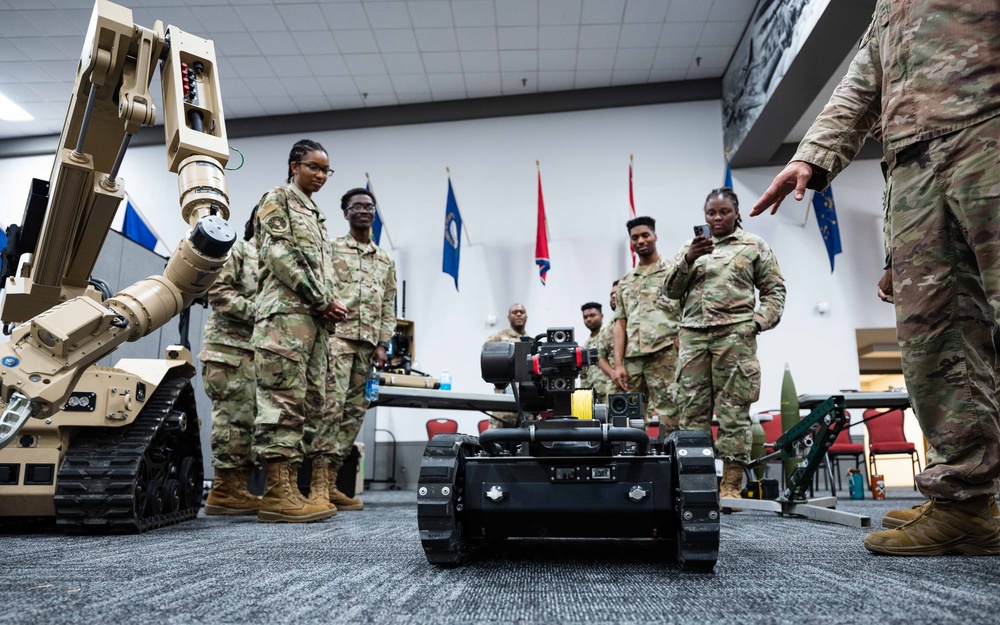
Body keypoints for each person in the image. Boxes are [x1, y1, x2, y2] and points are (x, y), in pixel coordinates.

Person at [751, 0, 1000, 556]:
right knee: (936, 342)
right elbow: (863, 79)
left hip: (988, 130)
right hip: (910, 165)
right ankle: (966, 503)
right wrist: (813, 156)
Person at [664, 188, 785, 505]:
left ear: (736, 213)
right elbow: (670, 290)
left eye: (723, 212)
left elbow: (775, 290)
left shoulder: (754, 246)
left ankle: (731, 485)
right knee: (692, 412)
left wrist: (757, 323)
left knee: (733, 413)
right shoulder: (689, 248)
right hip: (693, 337)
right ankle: (697, 481)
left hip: (735, 336)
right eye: (711, 213)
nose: (717, 218)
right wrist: (689, 258)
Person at [251, 138, 344, 523]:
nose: (320, 175)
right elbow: (279, 254)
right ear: (294, 165)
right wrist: (323, 299)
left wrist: (327, 305)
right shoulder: (277, 198)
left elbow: (319, 268)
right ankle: (277, 494)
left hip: (312, 323)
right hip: (284, 318)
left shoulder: (316, 215)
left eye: (326, 170)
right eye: (313, 167)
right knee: (282, 401)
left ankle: (292, 487)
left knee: (307, 403)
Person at [304, 187, 397, 512]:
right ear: (345, 213)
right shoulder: (331, 249)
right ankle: (316, 485)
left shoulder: (384, 258)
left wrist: (383, 344)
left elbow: (388, 304)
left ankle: (331, 484)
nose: (364, 211)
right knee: (330, 408)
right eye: (357, 206)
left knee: (354, 413)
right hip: (336, 339)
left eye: (369, 206)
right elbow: (319, 290)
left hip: (368, 346)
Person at [200, 209, 261, 516]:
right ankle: (224, 490)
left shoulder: (273, 262)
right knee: (231, 420)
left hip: (253, 352)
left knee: (247, 421)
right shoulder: (240, 251)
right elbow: (218, 293)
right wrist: (263, 313)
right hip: (228, 349)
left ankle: (239, 488)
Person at [612, 217, 680, 431]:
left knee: (671, 414)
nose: (640, 240)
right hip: (632, 360)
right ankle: (635, 461)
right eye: (635, 237)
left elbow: (688, 310)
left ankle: (672, 461)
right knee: (630, 418)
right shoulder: (626, 282)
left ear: (655, 236)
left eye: (645, 235)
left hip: (665, 354)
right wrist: (618, 364)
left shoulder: (673, 272)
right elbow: (620, 323)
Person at [485, 303, 528, 429]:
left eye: (521, 312)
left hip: (526, 402)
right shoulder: (497, 338)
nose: (519, 314)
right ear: (508, 317)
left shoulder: (531, 341)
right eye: (515, 312)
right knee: (497, 441)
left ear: (526, 317)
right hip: (504, 401)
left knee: (527, 443)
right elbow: (487, 361)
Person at [580, 302, 612, 402]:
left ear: (601, 316)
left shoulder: (610, 337)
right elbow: (583, 374)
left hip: (609, 391)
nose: (588, 319)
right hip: (591, 396)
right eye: (585, 317)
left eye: (592, 315)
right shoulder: (586, 346)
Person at [595, 281, 619, 398]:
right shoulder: (606, 329)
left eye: (617, 292)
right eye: (611, 294)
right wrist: (613, 374)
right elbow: (600, 357)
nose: (613, 296)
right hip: (616, 386)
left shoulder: (642, 323)